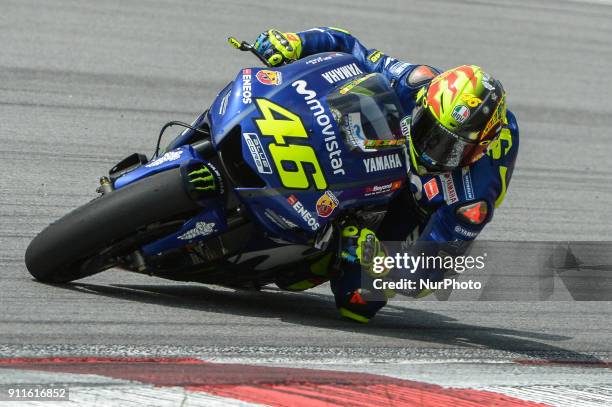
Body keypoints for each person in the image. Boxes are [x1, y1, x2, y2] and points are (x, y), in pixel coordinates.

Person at [253, 27, 519, 323]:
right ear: (424, 103)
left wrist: (384, 264)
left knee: (358, 303)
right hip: (397, 146)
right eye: (429, 131)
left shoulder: (473, 200)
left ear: (479, 151)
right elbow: (350, 50)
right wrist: (297, 42)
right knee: (358, 101)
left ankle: (326, 257)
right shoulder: (417, 82)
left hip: (424, 204)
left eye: (453, 149)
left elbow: (427, 275)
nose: (433, 151)